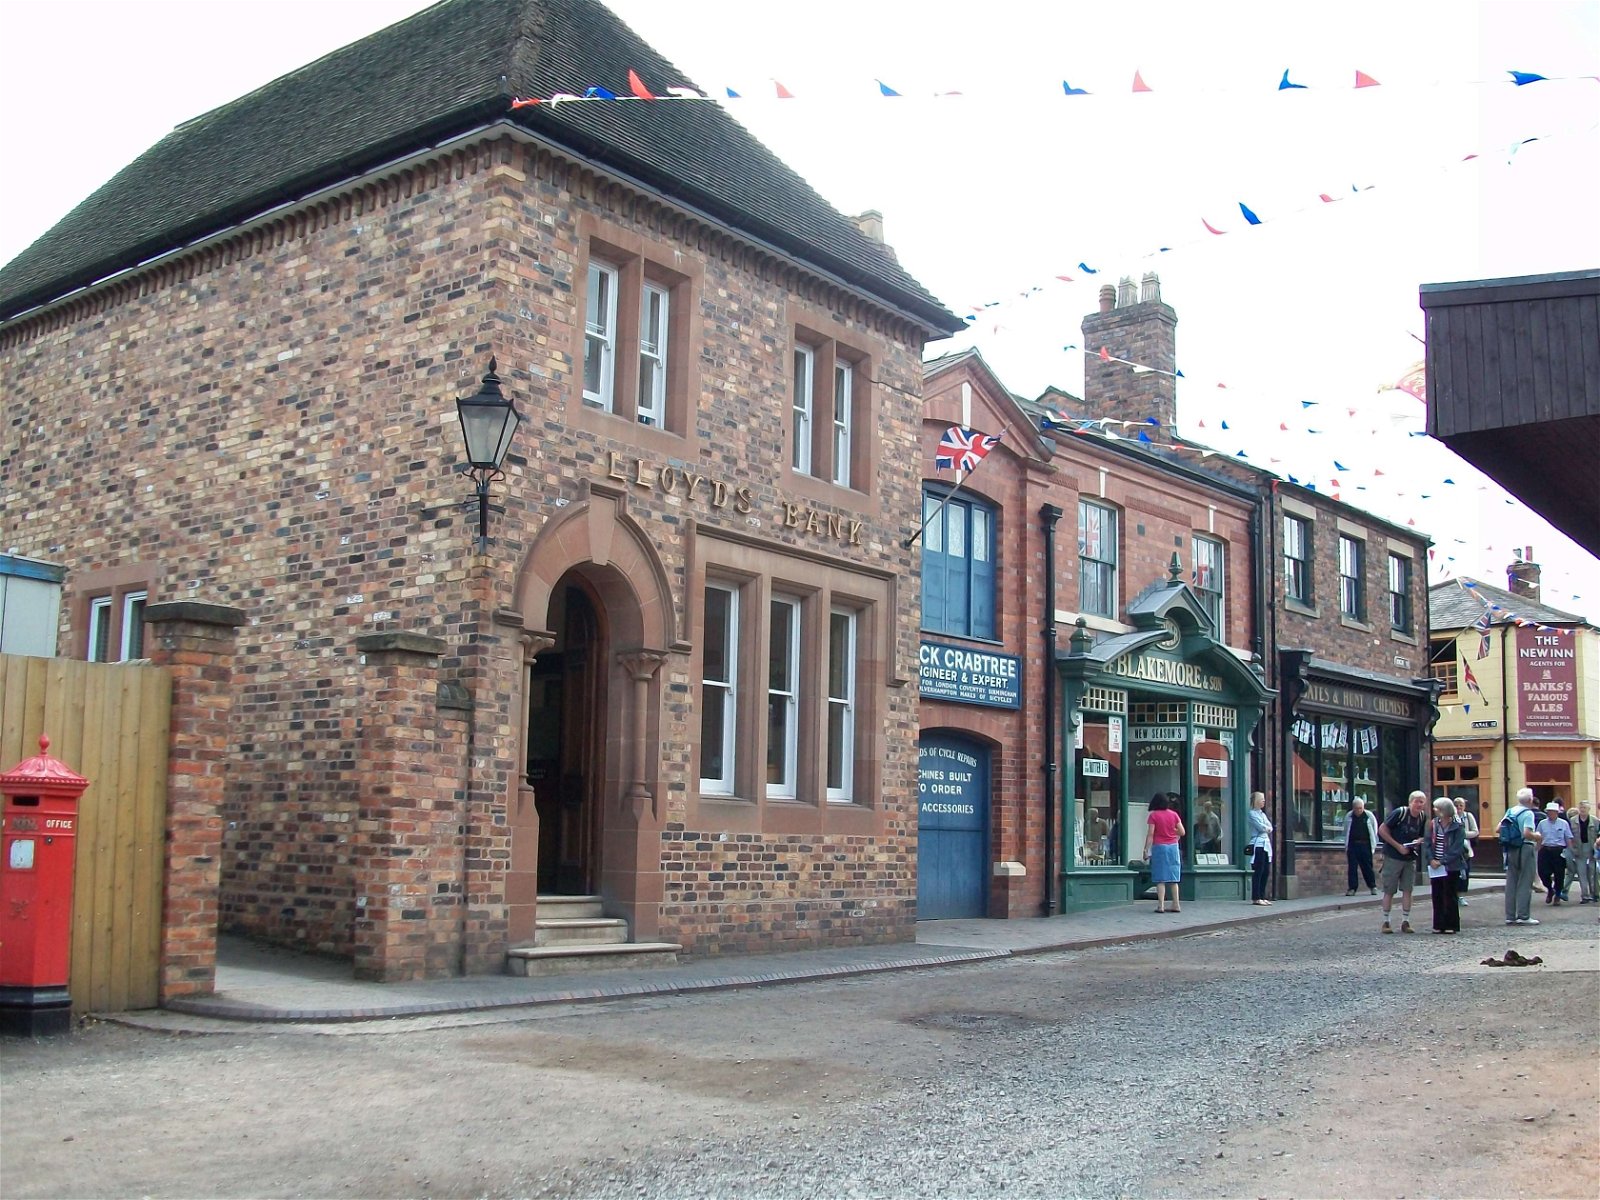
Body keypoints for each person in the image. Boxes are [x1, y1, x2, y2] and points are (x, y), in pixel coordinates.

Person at [1377, 791, 1429, 933]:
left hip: (1409, 858)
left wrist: (1418, 841)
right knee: (1389, 889)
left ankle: (1405, 921)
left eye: (1422, 802)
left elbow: (1421, 836)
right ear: (1410, 802)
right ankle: (1386, 921)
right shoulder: (1400, 813)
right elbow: (1382, 829)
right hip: (1393, 856)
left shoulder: (1422, 817)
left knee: (1408, 889)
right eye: (1416, 801)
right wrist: (1398, 846)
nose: (1419, 805)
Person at [1501, 787, 1543, 926]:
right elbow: (1526, 833)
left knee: (1511, 882)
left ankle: (1510, 916)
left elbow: (1498, 828)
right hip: (1525, 846)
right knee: (1525, 881)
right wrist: (1537, 836)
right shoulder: (1528, 813)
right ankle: (1523, 915)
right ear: (1530, 800)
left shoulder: (1510, 811)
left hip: (1511, 848)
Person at [1426, 798, 1468, 933]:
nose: (1434, 810)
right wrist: (1431, 859)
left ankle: (1451, 924)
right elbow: (1428, 842)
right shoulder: (1434, 824)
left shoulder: (1458, 826)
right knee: (1437, 895)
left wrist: (1442, 861)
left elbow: (1457, 848)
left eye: (1437, 808)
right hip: (1435, 865)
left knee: (1449, 895)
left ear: (1444, 811)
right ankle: (1438, 924)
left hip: (1451, 865)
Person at [1144, 793, 1186, 914]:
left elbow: (1151, 834)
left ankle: (1161, 905)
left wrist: (1146, 849)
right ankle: (1176, 904)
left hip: (1160, 847)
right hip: (1173, 847)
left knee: (1160, 878)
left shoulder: (1154, 816)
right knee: (1173, 878)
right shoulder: (1174, 814)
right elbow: (1182, 832)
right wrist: (1173, 831)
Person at [1536, 801, 1574, 905]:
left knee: (1559, 874)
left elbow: (1568, 838)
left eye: (1552, 812)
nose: (1550, 814)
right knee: (1543, 873)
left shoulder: (1563, 823)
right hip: (1545, 849)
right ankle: (1549, 889)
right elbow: (1539, 838)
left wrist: (1570, 852)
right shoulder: (1542, 823)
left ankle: (1557, 894)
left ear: (1557, 813)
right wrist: (1537, 850)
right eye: (1548, 812)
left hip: (1559, 850)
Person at [1343, 796, 1378, 896]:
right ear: (1353, 808)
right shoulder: (1349, 817)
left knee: (1367, 866)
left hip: (1365, 844)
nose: (1358, 810)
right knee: (1352, 867)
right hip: (1353, 844)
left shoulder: (1368, 816)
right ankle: (1352, 888)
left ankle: (1372, 886)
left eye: (1360, 808)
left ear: (1363, 807)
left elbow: (1374, 829)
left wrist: (1373, 844)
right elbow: (1346, 830)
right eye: (1356, 808)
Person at [1246, 791, 1273, 905]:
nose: (1264, 801)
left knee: (1266, 871)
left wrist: (1267, 828)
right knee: (1259, 870)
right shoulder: (1252, 813)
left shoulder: (1262, 814)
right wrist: (1266, 828)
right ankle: (1256, 897)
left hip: (1266, 844)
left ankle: (1262, 895)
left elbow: (1270, 827)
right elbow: (1262, 827)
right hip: (1258, 844)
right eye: (1261, 799)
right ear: (1256, 800)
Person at [1569, 800, 1598, 904]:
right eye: (1581, 808)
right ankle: (1585, 896)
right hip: (1578, 849)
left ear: (1589, 809)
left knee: (1592, 873)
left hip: (1591, 849)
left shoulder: (1595, 821)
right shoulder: (1572, 820)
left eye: (1585, 808)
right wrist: (1573, 849)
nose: (1582, 810)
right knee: (1581, 873)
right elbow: (1569, 836)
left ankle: (1594, 894)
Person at [1453, 798, 1478, 906]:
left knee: (1465, 874)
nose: (1459, 808)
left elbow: (1475, 832)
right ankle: (1454, 896)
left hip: (1466, 850)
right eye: (1457, 805)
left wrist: (1463, 834)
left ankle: (1461, 896)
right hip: (1453, 850)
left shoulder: (1468, 816)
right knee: (1454, 874)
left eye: (1461, 805)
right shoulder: (1451, 816)